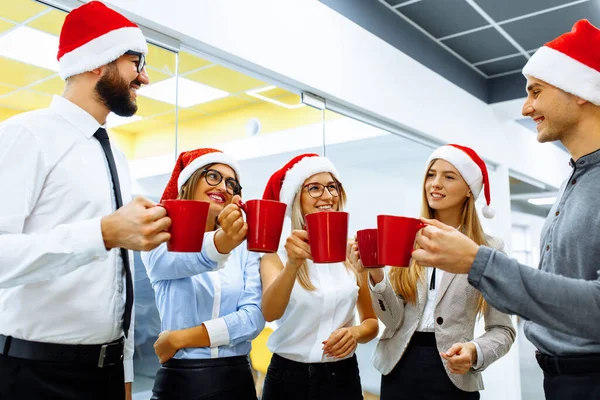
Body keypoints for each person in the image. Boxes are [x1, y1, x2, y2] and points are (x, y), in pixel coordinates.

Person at [411, 19, 600, 400]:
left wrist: (478, 263)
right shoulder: (573, 180)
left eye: (536, 91)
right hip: (561, 378)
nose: (527, 106)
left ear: (580, 91)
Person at [0, 2, 170, 399]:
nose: (143, 77)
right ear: (98, 61)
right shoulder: (26, 135)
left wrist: (124, 370)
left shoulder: (115, 154)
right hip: (35, 376)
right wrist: (103, 233)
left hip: (105, 374)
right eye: (135, 60)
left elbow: (116, 276)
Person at [348, 145, 515, 399]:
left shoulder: (488, 250)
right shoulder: (406, 237)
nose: (435, 184)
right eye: (430, 175)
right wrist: (376, 275)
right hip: (399, 367)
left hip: (454, 371)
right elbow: (392, 321)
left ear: (469, 189)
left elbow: (503, 330)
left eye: (449, 176)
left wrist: (475, 351)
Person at [142, 148, 265, 400]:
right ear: (189, 182)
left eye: (231, 183)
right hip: (181, 382)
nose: (223, 186)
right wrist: (223, 242)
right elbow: (189, 259)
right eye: (212, 176)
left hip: (237, 378)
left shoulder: (244, 246)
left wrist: (179, 338)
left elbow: (253, 319)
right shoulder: (161, 239)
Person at [259, 153, 379, 400]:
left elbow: (371, 323)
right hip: (288, 378)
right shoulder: (277, 255)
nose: (327, 196)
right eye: (314, 188)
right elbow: (270, 313)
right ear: (296, 198)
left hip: (342, 377)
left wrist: (355, 333)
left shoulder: (353, 251)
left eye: (332, 187)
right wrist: (293, 265)